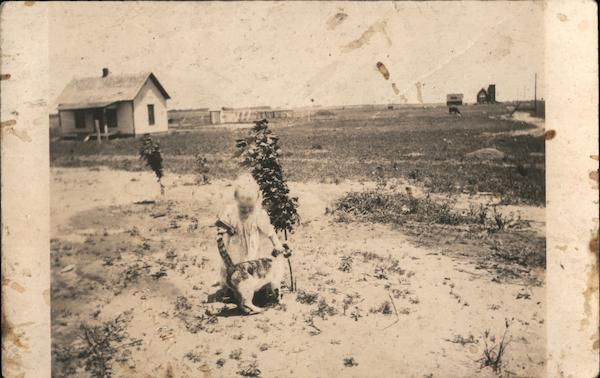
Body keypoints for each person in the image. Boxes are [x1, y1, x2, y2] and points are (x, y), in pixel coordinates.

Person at [215, 173, 284, 296]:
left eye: (249, 206)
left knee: (254, 268)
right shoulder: (231, 212)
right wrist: (223, 231)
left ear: (256, 199)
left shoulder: (258, 214)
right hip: (235, 247)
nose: (246, 210)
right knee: (234, 268)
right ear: (236, 198)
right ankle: (233, 290)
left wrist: (276, 244)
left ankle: (255, 290)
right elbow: (221, 225)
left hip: (253, 246)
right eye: (243, 207)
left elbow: (269, 231)